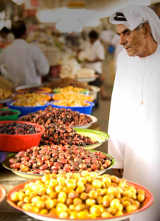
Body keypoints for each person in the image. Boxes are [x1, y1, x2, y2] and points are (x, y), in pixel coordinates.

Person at [108, 5, 160, 221]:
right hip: (136, 155)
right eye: (119, 34)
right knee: (140, 211)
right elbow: (118, 107)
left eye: (126, 32)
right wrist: (116, 158)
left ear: (145, 29)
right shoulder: (123, 60)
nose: (121, 41)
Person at [0, 21, 49, 86]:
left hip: (14, 91)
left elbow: (2, 70)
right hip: (32, 91)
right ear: (25, 33)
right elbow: (44, 70)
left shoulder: (5, 51)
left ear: (12, 34)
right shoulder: (33, 49)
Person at [78, 30, 107, 99]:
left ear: (95, 38)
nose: (91, 40)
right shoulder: (87, 43)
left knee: (95, 87)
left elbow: (101, 58)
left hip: (95, 69)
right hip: (86, 68)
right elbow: (81, 50)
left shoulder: (99, 46)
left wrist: (91, 61)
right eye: (90, 39)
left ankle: (96, 102)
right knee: (88, 87)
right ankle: (89, 100)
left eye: (92, 39)